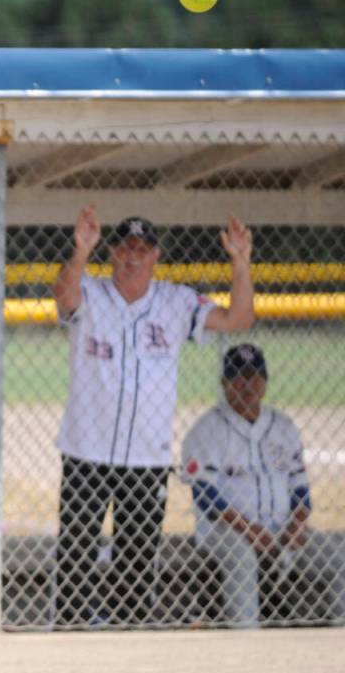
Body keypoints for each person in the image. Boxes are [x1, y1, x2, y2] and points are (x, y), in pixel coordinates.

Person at [50, 207, 255, 626]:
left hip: (147, 457)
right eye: (125, 246)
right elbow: (63, 295)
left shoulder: (176, 302)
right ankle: (67, 645)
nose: (133, 255)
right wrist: (80, 250)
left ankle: (130, 651)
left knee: (137, 569)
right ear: (112, 253)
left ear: (155, 256)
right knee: (75, 558)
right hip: (87, 451)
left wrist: (240, 262)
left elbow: (239, 319)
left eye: (142, 249)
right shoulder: (90, 293)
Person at [181, 344, 345, 628]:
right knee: (242, 559)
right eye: (238, 377)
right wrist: (249, 530)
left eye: (255, 376)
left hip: (282, 528)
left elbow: (300, 487)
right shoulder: (207, 429)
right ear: (224, 384)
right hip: (226, 531)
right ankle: (248, 636)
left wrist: (297, 525)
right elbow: (204, 496)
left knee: (336, 556)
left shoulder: (282, 426)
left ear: (266, 382)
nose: (248, 385)